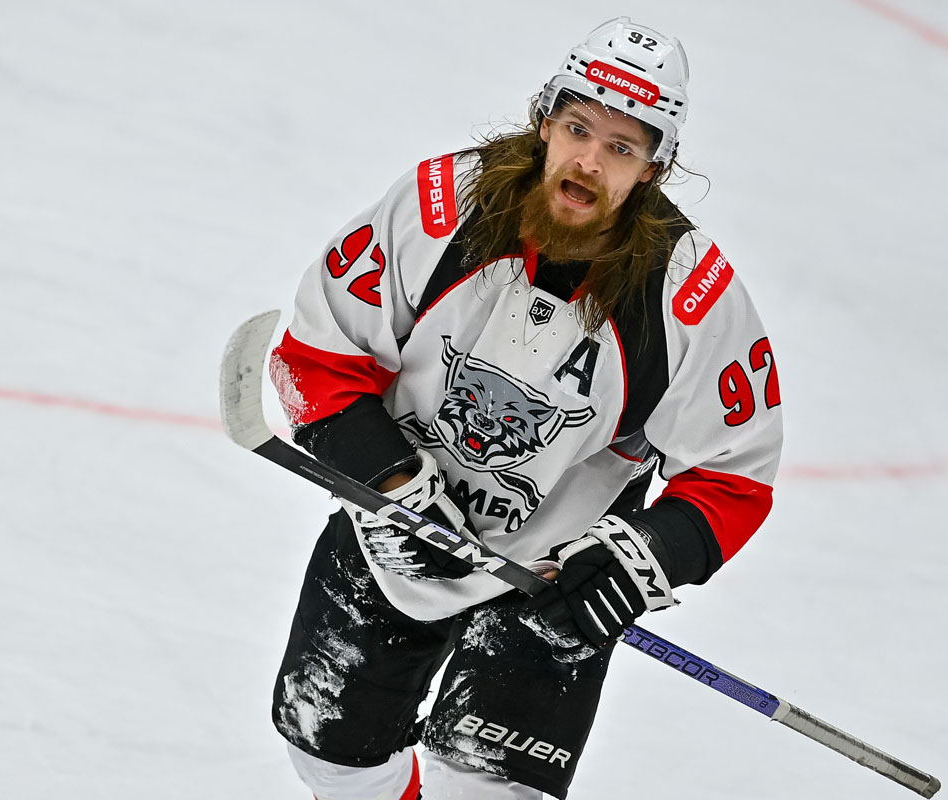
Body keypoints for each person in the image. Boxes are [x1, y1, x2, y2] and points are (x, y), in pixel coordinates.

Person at [267, 16, 782, 800]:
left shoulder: (688, 294)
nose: (589, 162)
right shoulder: (440, 207)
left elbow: (733, 476)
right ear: (544, 120)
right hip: (395, 528)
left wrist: (639, 558)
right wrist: (392, 486)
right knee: (332, 755)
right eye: (578, 129)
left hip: (555, 578)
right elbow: (317, 356)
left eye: (622, 147)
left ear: (654, 167)